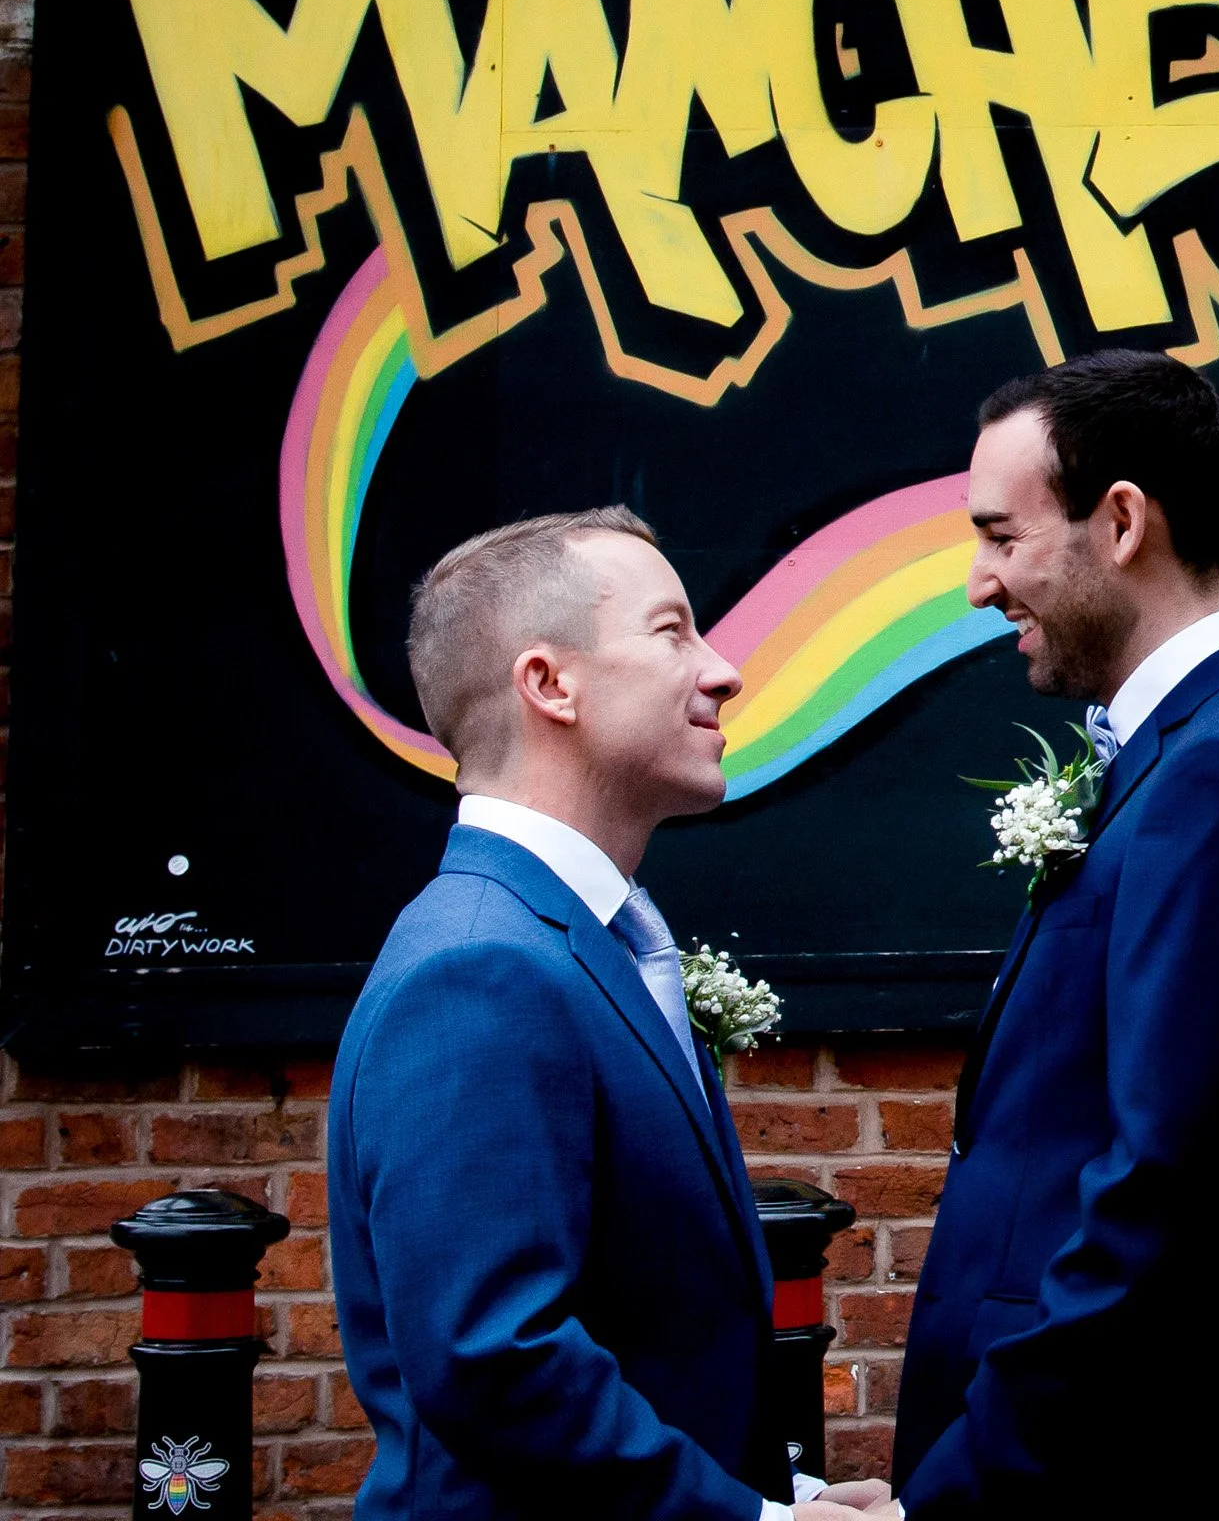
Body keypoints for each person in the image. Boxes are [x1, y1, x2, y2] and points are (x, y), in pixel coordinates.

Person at [329, 507, 898, 1521]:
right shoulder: (477, 970)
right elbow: (495, 1363)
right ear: (550, 684)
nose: (723, 671)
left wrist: (787, 1495)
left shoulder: (578, 941)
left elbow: (650, 1334)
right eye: (670, 631)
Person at [892, 351, 1219, 1519]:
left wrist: (954, 1496)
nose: (978, 583)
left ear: (1120, 524)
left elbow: (1162, 1211)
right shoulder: (1191, 758)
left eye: (1003, 538)